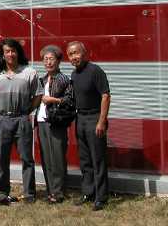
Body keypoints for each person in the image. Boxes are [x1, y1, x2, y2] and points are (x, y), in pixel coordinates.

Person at [0, 38, 39, 204]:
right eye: (7, 51)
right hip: (2, 120)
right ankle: (2, 193)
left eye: (13, 50)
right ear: (2, 55)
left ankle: (29, 194)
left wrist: (26, 111)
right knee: (2, 158)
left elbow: (38, 95)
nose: (10, 54)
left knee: (27, 158)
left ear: (18, 52)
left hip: (22, 119)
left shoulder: (29, 72)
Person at [67, 41, 111, 211]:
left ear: (84, 53)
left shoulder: (95, 71)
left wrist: (101, 121)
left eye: (76, 53)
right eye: (70, 54)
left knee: (97, 159)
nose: (74, 57)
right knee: (85, 160)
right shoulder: (74, 74)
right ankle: (88, 192)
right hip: (80, 118)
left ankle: (101, 197)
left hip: (94, 118)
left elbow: (105, 96)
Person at [34, 44, 74, 204]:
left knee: (57, 157)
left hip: (56, 122)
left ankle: (58, 192)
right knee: (46, 158)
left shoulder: (64, 79)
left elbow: (70, 101)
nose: (48, 62)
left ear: (58, 61)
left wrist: (53, 100)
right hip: (42, 121)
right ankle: (51, 189)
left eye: (51, 59)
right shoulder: (41, 80)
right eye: (45, 59)